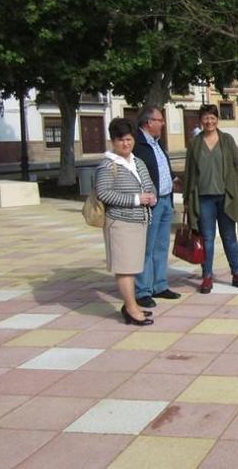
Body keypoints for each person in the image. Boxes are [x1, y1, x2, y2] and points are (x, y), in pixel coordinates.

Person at [183, 104, 238, 293]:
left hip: (226, 197)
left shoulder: (227, 140)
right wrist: (187, 199)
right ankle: (207, 276)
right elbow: (189, 171)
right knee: (207, 239)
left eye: (212, 118)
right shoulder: (195, 143)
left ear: (217, 119)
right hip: (203, 199)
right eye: (205, 118)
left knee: (229, 238)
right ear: (201, 120)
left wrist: (237, 190)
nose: (209, 121)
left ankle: (237, 274)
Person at [95, 118, 156, 326]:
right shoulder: (108, 165)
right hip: (120, 222)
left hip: (139, 221)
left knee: (133, 266)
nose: (126, 144)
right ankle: (130, 309)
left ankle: (132, 305)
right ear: (113, 141)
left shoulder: (137, 162)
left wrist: (152, 196)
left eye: (129, 139)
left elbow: (148, 184)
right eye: (121, 140)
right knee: (125, 268)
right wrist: (136, 199)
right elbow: (104, 193)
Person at [133, 106, 180, 309]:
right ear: (149, 122)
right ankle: (142, 290)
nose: (163, 123)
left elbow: (161, 168)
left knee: (161, 246)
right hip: (149, 205)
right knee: (146, 248)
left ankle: (159, 285)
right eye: (160, 120)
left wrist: (172, 180)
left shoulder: (157, 143)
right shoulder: (137, 144)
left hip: (165, 201)